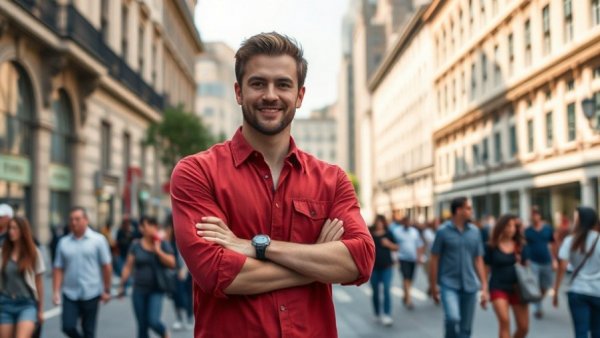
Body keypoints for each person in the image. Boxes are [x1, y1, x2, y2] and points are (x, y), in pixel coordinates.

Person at [170, 32, 375, 337]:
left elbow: (359, 260)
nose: (270, 95)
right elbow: (218, 274)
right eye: (258, 83)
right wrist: (315, 259)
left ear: (300, 96)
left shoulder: (332, 180)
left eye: (283, 84)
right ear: (239, 92)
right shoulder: (196, 173)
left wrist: (255, 247)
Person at [429, 197, 488, 338]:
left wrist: (484, 286)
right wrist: (433, 286)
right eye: (468, 208)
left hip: (470, 285)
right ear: (458, 210)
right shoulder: (442, 231)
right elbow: (434, 259)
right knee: (452, 318)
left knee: (465, 329)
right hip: (449, 283)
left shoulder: (475, 232)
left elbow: (479, 259)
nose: (471, 211)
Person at [53, 207, 112, 338]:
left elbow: (106, 266)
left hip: (91, 292)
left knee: (88, 331)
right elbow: (58, 268)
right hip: (70, 293)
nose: (74, 222)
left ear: (86, 220)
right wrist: (56, 291)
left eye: (77, 219)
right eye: (71, 219)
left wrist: (107, 290)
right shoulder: (63, 242)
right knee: (68, 326)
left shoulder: (98, 240)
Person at [118, 216, 176, 338]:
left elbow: (172, 263)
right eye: (143, 226)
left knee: (153, 321)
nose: (145, 229)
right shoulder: (136, 245)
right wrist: (121, 285)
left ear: (155, 227)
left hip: (156, 289)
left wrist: (158, 251)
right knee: (142, 325)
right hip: (138, 290)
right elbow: (128, 266)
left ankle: (164, 332)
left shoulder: (162, 243)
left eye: (148, 225)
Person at [553, 206, 600, 338]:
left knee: (581, 332)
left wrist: (556, 290)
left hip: (578, 290)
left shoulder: (570, 240)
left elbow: (562, 266)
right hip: (598, 292)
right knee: (597, 331)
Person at [484, 214, 529, 338]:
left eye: (514, 226)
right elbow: (486, 268)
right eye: (508, 225)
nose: (511, 229)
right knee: (504, 321)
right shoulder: (491, 246)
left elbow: (527, 267)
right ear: (501, 226)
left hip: (518, 289)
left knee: (524, 328)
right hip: (498, 287)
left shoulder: (520, 245)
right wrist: (484, 289)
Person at [0, 217, 45, 338]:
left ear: (23, 230)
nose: (10, 231)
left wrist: (40, 310)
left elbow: (39, 283)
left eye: (15, 228)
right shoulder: (3, 252)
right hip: (5, 304)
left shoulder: (34, 253)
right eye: (10, 228)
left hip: (26, 304)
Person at [524, 206, 556, 319]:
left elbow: (553, 244)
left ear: (540, 215)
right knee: (535, 285)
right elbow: (525, 246)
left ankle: (538, 301)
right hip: (533, 262)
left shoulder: (548, 229)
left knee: (545, 286)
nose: (534, 216)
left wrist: (554, 259)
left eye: (536, 214)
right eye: (532, 214)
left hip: (546, 261)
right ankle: (538, 307)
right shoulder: (527, 231)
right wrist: (526, 259)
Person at [369, 214, 398, 326]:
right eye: (378, 221)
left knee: (386, 290)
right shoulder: (370, 234)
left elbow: (397, 247)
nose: (379, 224)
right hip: (373, 268)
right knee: (375, 291)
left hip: (387, 266)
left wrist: (388, 244)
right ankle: (377, 313)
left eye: (381, 221)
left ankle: (387, 314)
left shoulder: (389, 233)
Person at [390, 218, 424, 309]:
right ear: (403, 223)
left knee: (410, 279)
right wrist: (394, 257)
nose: (407, 223)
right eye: (406, 222)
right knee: (406, 277)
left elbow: (419, 244)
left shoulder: (414, 232)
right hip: (402, 258)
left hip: (413, 258)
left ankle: (405, 294)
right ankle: (409, 299)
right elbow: (393, 244)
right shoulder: (396, 231)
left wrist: (419, 256)